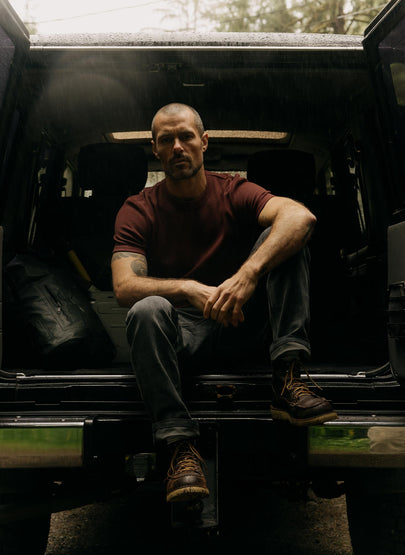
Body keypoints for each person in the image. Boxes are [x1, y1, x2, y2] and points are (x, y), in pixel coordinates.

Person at [111, 102, 336, 504]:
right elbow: (125, 285)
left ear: (204, 142)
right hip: (179, 341)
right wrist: (189, 289)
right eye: (167, 140)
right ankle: (179, 447)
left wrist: (247, 275)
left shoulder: (234, 189)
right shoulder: (138, 207)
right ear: (156, 150)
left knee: (284, 239)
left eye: (186, 137)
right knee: (147, 308)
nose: (178, 147)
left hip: (243, 325)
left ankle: (288, 377)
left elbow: (300, 217)